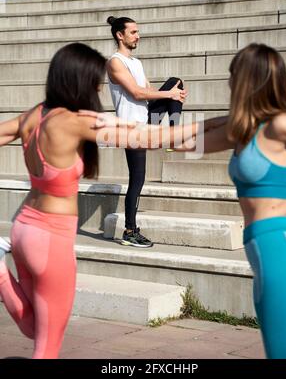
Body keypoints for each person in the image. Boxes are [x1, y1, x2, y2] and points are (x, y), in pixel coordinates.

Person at [0, 42, 200, 359]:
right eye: (95, 81)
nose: (98, 87)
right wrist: (208, 136)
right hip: (51, 239)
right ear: (78, 81)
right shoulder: (76, 121)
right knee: (47, 347)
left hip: (23, 229)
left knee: (35, 329)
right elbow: (147, 136)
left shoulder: (34, 115)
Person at [191, 43, 286, 359]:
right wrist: (113, 134)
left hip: (280, 254)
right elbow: (186, 140)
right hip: (263, 255)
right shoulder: (243, 132)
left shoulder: (280, 126)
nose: (229, 83)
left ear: (249, 80)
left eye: (233, 75)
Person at [106, 15, 188, 248]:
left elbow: (149, 91)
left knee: (176, 81)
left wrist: (175, 95)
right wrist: (169, 96)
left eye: (138, 32)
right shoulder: (115, 62)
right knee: (137, 180)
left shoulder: (137, 63)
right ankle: (130, 231)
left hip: (145, 118)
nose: (138, 36)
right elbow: (137, 94)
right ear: (120, 35)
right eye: (133, 32)